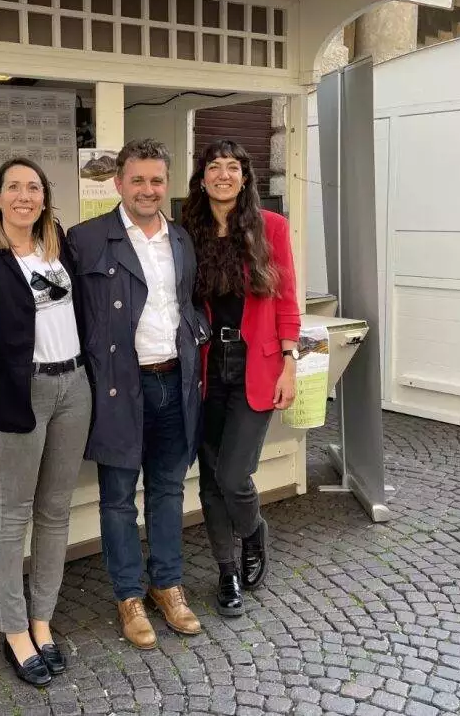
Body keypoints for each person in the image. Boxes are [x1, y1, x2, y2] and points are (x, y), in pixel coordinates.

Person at [0, 158, 92, 687]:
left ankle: (42, 620)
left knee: (56, 512)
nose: (24, 196)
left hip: (75, 388)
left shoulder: (61, 251)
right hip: (15, 394)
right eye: (15, 188)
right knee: (13, 518)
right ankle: (13, 630)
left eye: (34, 188)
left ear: (45, 198)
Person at [68, 138, 208, 650]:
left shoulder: (182, 241)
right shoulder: (85, 240)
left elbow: (186, 306)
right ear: (118, 183)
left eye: (156, 180)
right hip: (118, 387)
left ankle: (167, 584)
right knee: (118, 499)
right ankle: (128, 595)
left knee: (170, 489)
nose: (148, 190)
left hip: (174, 380)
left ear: (164, 184)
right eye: (137, 180)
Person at [179, 139, 299, 617]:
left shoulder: (271, 227)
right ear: (202, 177)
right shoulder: (189, 230)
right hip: (207, 369)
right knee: (209, 480)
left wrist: (291, 362)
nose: (223, 175)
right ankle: (226, 570)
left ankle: (253, 533)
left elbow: (287, 297)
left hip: (256, 364)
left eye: (233, 167)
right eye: (214, 167)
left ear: (245, 177)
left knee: (233, 475)